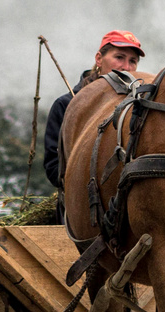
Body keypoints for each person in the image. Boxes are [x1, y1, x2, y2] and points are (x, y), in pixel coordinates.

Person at [43, 30, 144, 191]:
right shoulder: (66, 104)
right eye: (119, 57)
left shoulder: (139, 106)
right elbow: (54, 168)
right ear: (99, 59)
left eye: (133, 61)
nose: (126, 67)